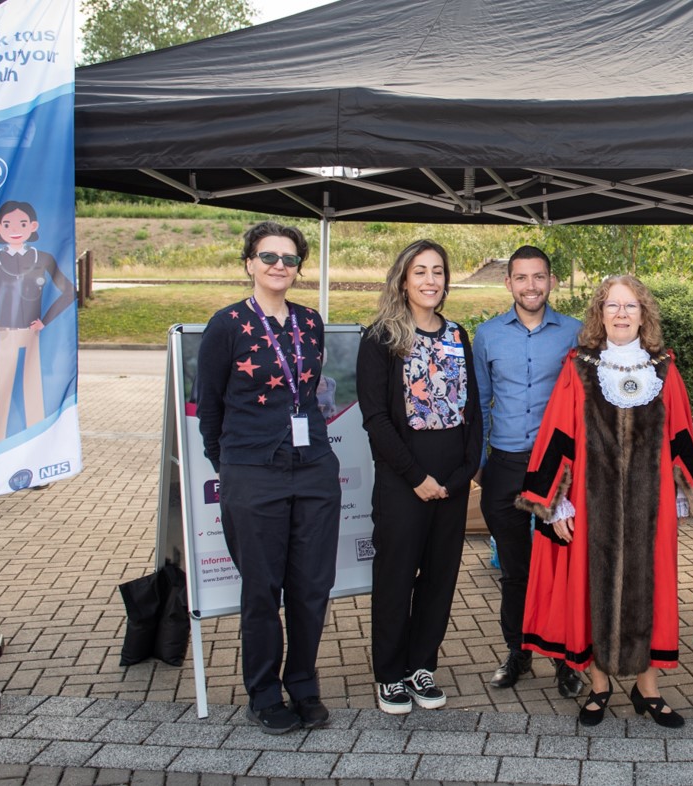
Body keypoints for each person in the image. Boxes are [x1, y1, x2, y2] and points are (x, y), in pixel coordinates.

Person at [516, 275, 693, 727]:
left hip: (651, 505)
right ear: (600, 314)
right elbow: (558, 431)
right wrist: (555, 502)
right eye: (613, 306)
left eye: (631, 306)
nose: (622, 314)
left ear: (645, 314)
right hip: (590, 501)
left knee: (651, 589)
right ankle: (599, 687)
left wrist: (684, 492)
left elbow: (681, 430)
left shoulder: (663, 368)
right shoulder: (579, 366)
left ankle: (648, 690)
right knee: (592, 588)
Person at [196, 221, 340, 734]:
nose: (279, 265)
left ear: (299, 267)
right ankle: (263, 692)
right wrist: (228, 464)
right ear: (249, 264)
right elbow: (208, 407)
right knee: (262, 590)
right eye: (268, 256)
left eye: (289, 258)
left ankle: (303, 684)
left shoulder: (310, 321)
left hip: (314, 469)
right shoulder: (227, 324)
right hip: (252, 472)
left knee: (311, 587)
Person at [357, 240, 481, 714]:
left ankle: (420, 666)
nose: (430, 280)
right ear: (403, 280)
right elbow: (375, 419)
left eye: (438, 272)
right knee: (395, 576)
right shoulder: (382, 338)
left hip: (451, 479)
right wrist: (416, 476)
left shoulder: (457, 335)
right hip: (403, 478)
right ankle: (390, 674)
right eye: (420, 272)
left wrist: (466, 469)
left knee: (439, 577)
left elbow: (470, 407)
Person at [472, 245, 584, 699]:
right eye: (522, 278)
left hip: (557, 472)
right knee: (515, 571)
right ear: (509, 283)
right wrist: (482, 463)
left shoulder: (576, 333)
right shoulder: (487, 336)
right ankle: (517, 654)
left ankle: (564, 660)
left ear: (551, 281)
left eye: (539, 277)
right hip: (505, 465)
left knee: (559, 567)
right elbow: (478, 404)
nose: (531, 286)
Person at [0, 201, 75, 445]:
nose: (16, 229)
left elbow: (69, 291)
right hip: (5, 334)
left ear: (33, 226)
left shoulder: (43, 258)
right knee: (2, 393)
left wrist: (45, 320)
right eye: (8, 224)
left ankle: (36, 447)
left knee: (33, 395)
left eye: (22, 223)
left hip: (32, 334)